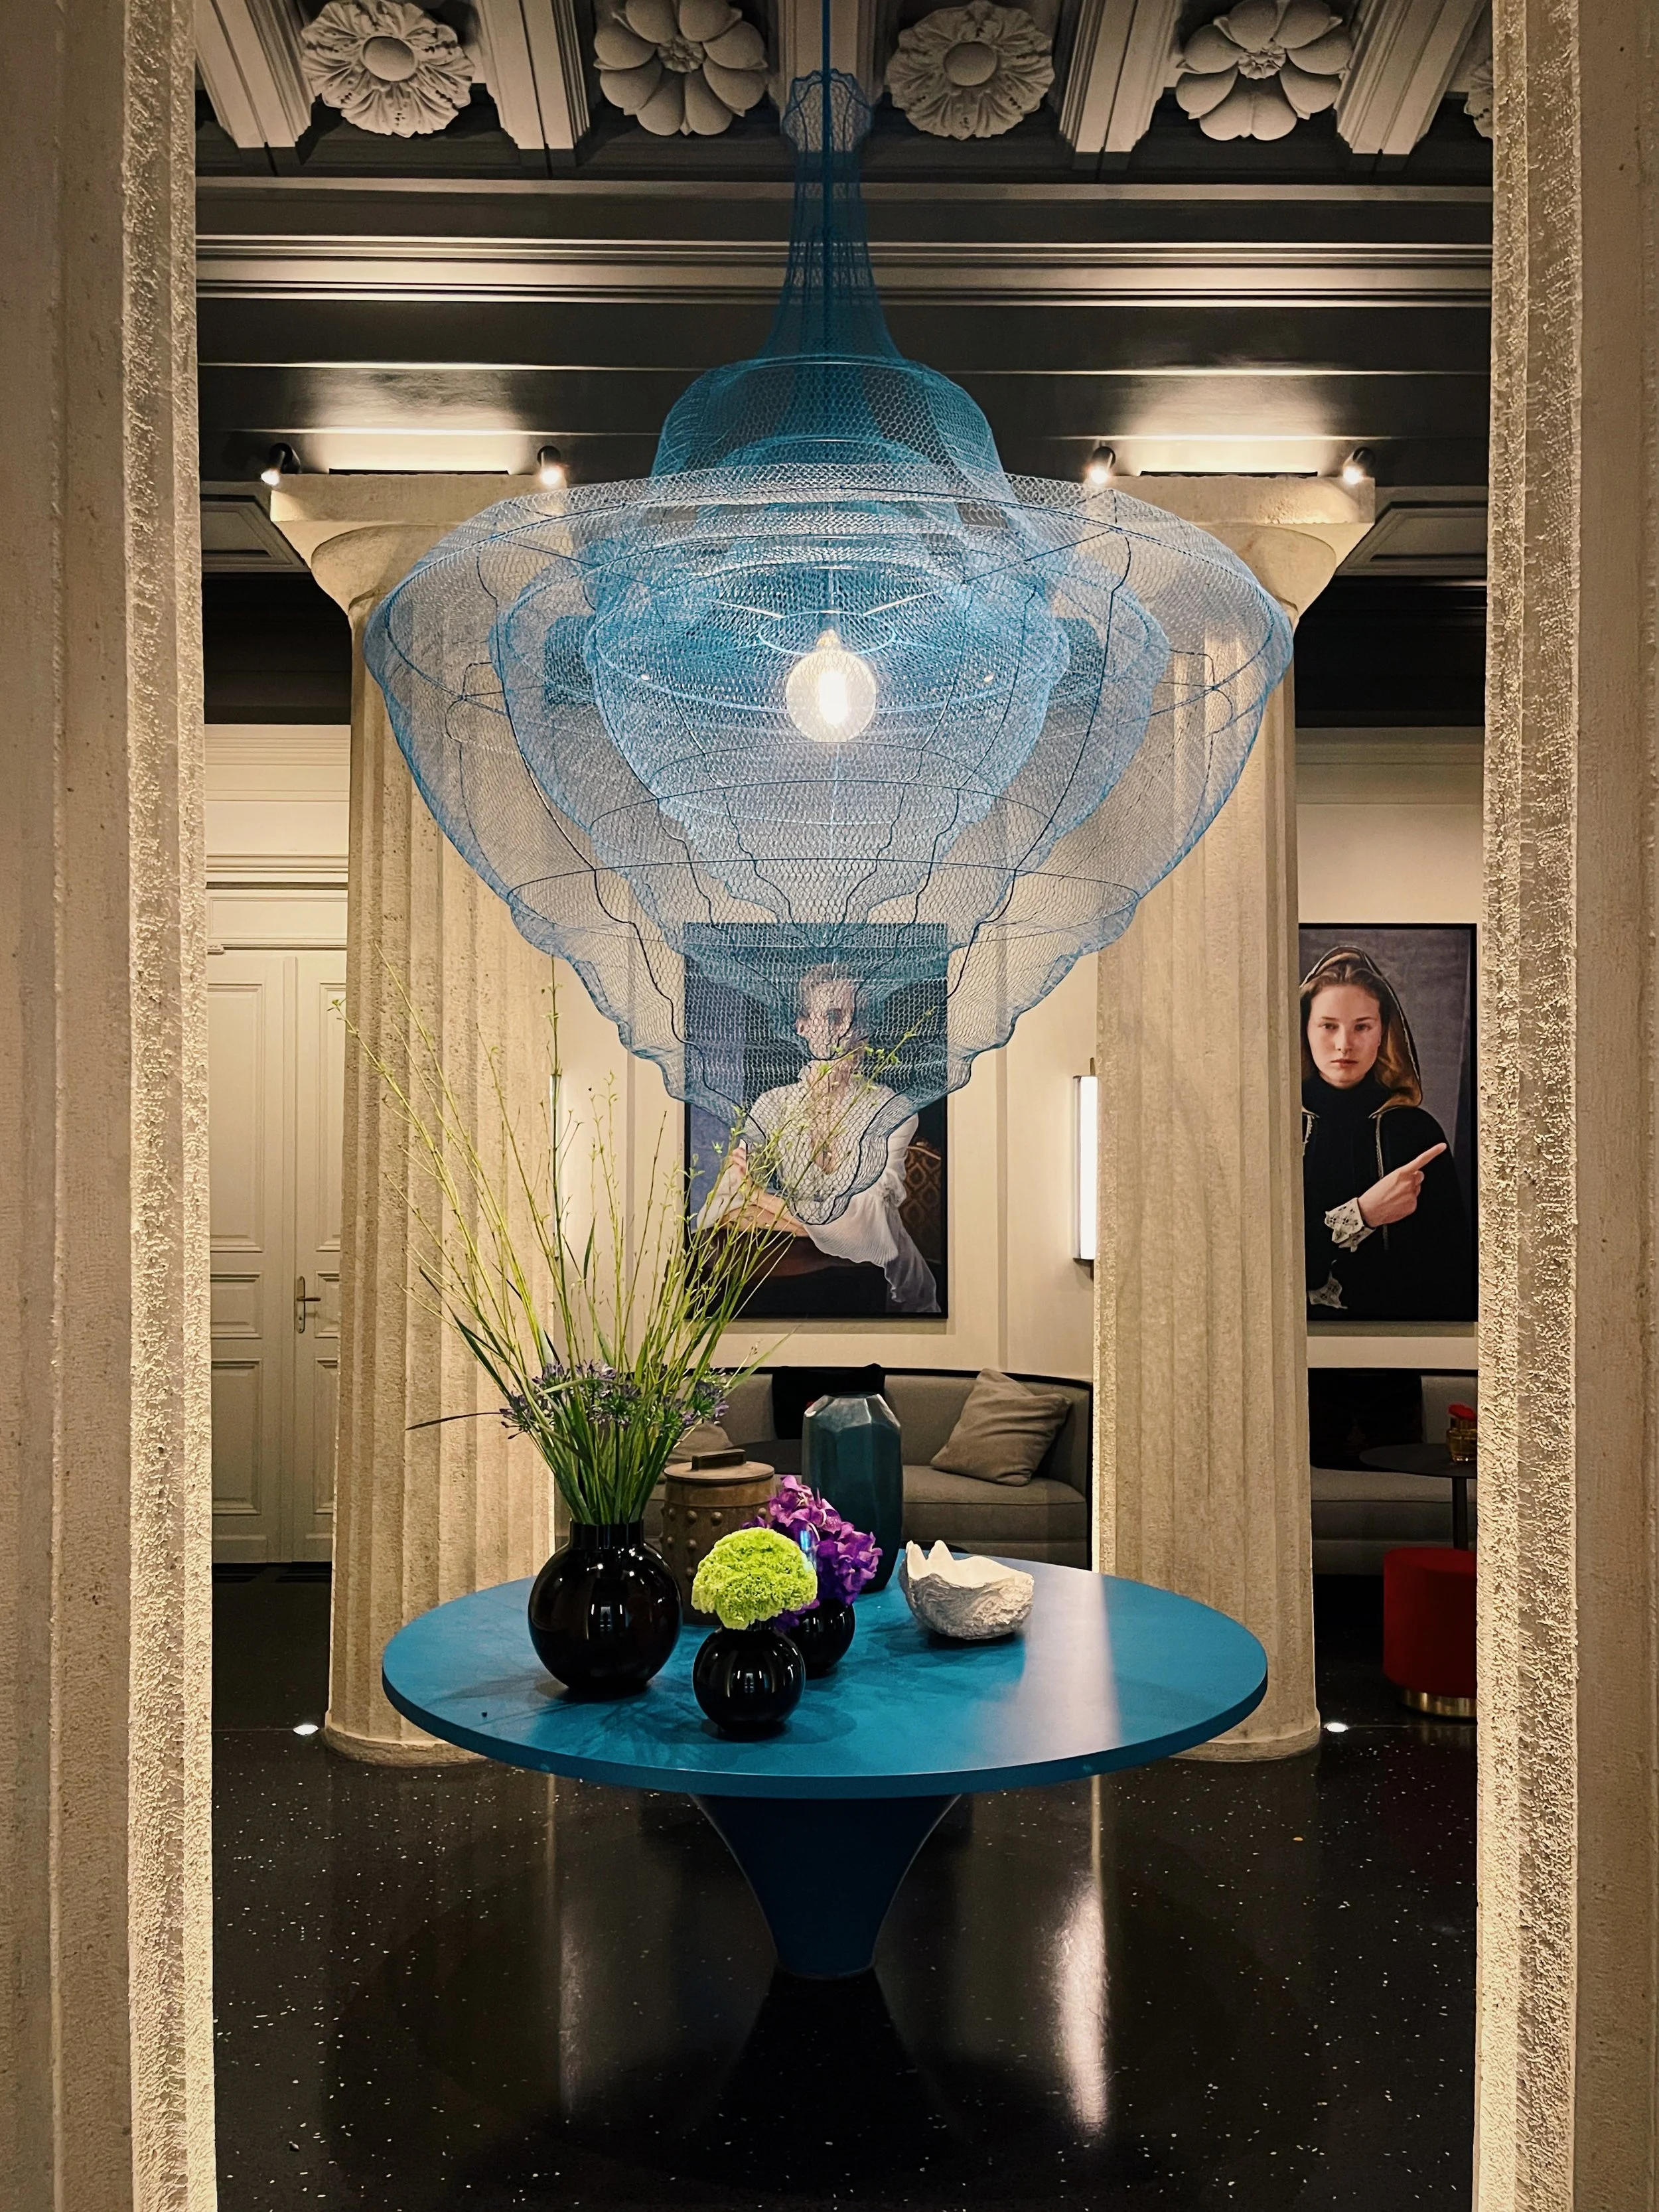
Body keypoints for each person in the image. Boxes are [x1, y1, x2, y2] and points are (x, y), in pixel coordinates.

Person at [697, 966, 940, 1315]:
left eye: (855, 1018)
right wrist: (827, 1224)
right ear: (803, 1027)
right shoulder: (773, 1105)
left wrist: (761, 1199)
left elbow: (870, 1222)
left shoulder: (893, 1109)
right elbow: (725, 1201)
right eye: (831, 1016)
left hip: (887, 1292)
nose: (844, 1030)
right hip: (788, 1278)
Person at [1300, 946, 1474, 1319]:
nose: (1344, 1044)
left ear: (1383, 1034)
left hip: (1392, 1360)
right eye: (1329, 1026)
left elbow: (1453, 1276)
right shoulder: (1272, 1130)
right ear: (1305, 1030)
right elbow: (1253, 1264)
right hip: (1286, 1361)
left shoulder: (1417, 1134)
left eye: (1362, 1027)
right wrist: (1362, 1215)